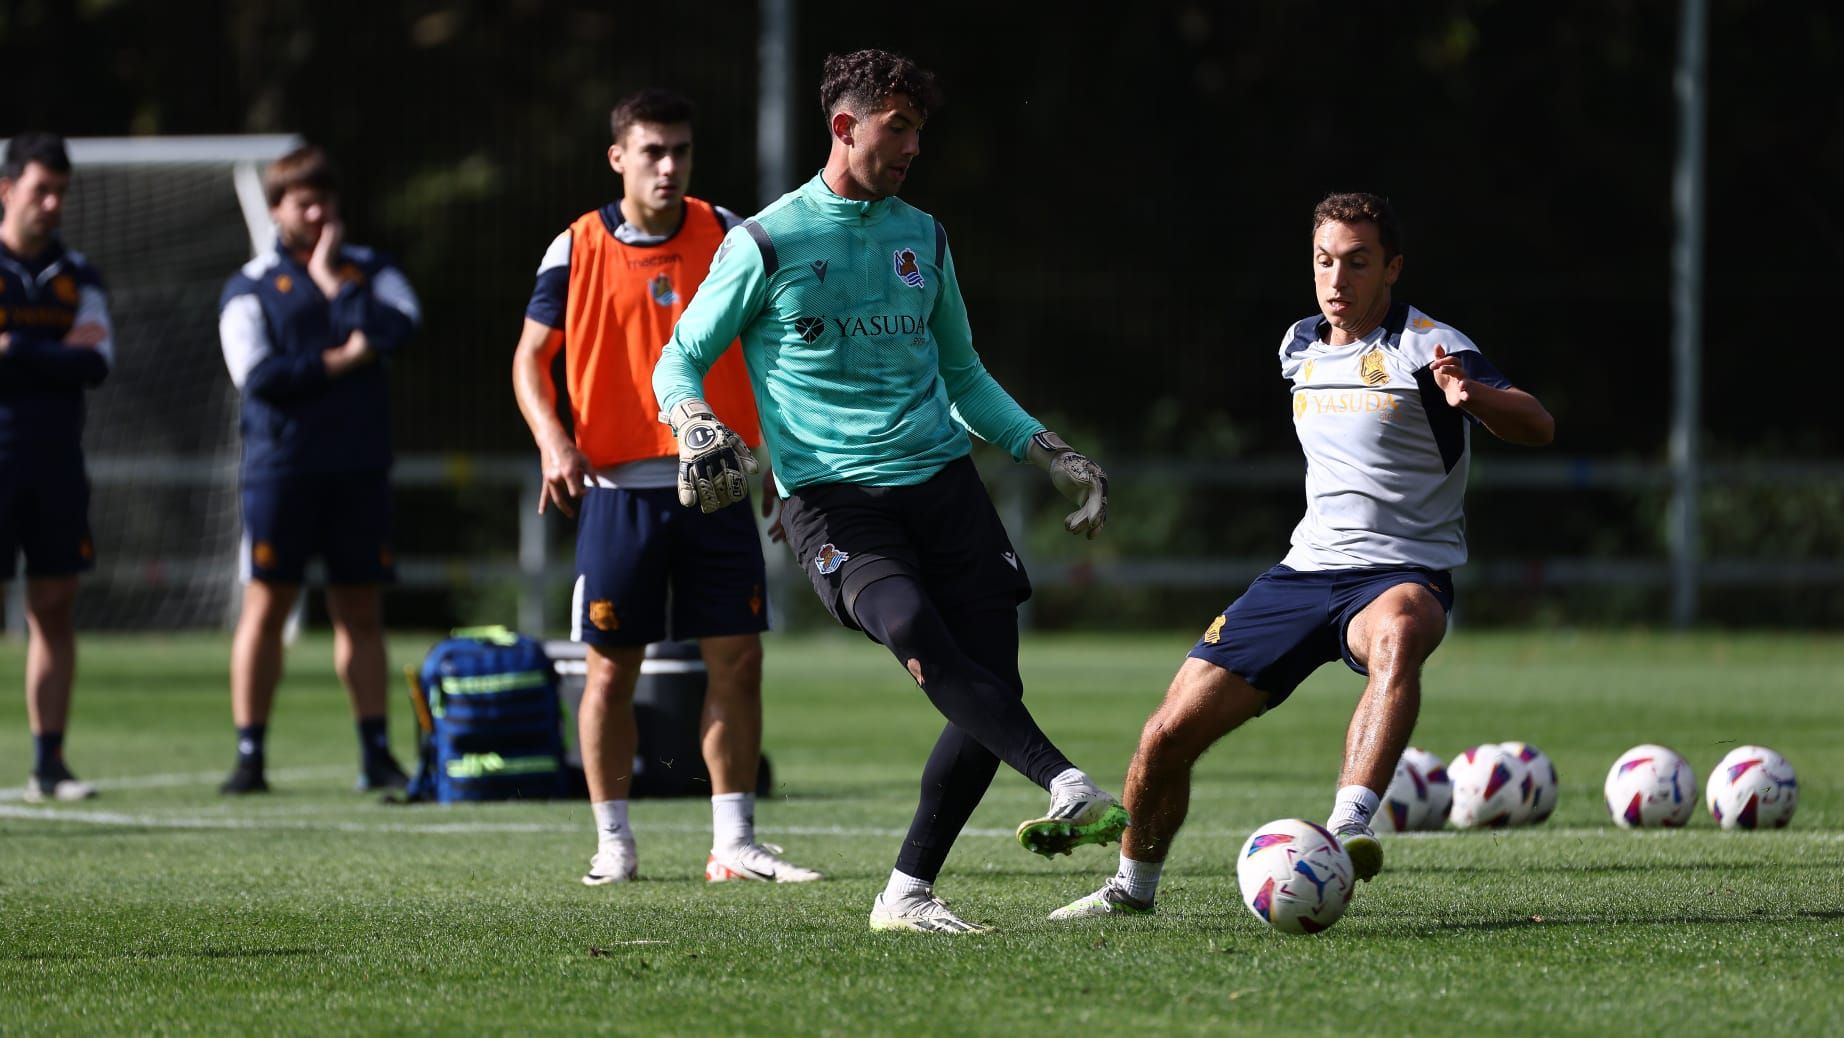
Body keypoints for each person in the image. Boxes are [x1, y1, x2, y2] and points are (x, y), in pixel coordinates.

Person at [653, 49, 1124, 935]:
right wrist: (692, 420)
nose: (913, 146)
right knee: (907, 622)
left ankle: (906, 892)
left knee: (990, 683)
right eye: (897, 127)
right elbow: (680, 356)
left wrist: (1049, 451)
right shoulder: (766, 240)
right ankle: (1065, 780)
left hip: (944, 485)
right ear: (845, 126)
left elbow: (963, 375)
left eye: (919, 130)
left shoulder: (924, 236)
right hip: (832, 500)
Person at [1048, 192, 1556, 920]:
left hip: (1399, 572)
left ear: (1392, 269)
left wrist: (1468, 394)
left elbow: (1537, 423)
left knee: (1399, 632)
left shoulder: (1430, 345)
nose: (1337, 279)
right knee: (1165, 734)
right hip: (1302, 573)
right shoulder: (1298, 346)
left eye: (1358, 262)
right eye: (1324, 261)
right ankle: (1131, 890)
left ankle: (1348, 827)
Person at [511, 88, 819, 887]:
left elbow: (776, 352)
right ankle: (614, 843)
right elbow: (530, 359)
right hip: (619, 490)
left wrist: (783, 461)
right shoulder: (575, 246)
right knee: (611, 671)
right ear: (618, 157)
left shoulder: (730, 234)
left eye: (680, 150)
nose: (669, 166)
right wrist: (553, 443)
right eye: (652, 151)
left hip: (718, 483)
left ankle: (735, 844)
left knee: (738, 661)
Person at [216, 145, 419, 795]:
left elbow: (400, 330)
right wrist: (341, 361)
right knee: (267, 605)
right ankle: (250, 754)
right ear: (276, 209)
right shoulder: (250, 285)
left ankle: (376, 753)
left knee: (360, 609)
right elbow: (258, 377)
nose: (316, 213)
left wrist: (333, 282)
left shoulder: (369, 270)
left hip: (359, 469)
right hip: (281, 471)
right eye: (303, 203)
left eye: (325, 200)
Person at [0, 133, 111, 803]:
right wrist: (55, 351)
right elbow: (72, 354)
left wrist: (16, 347)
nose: (52, 204)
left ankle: (49, 764)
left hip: (57, 463)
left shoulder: (79, 273)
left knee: (54, 606)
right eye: (41, 190)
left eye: (60, 193)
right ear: (6, 189)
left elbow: (95, 360)